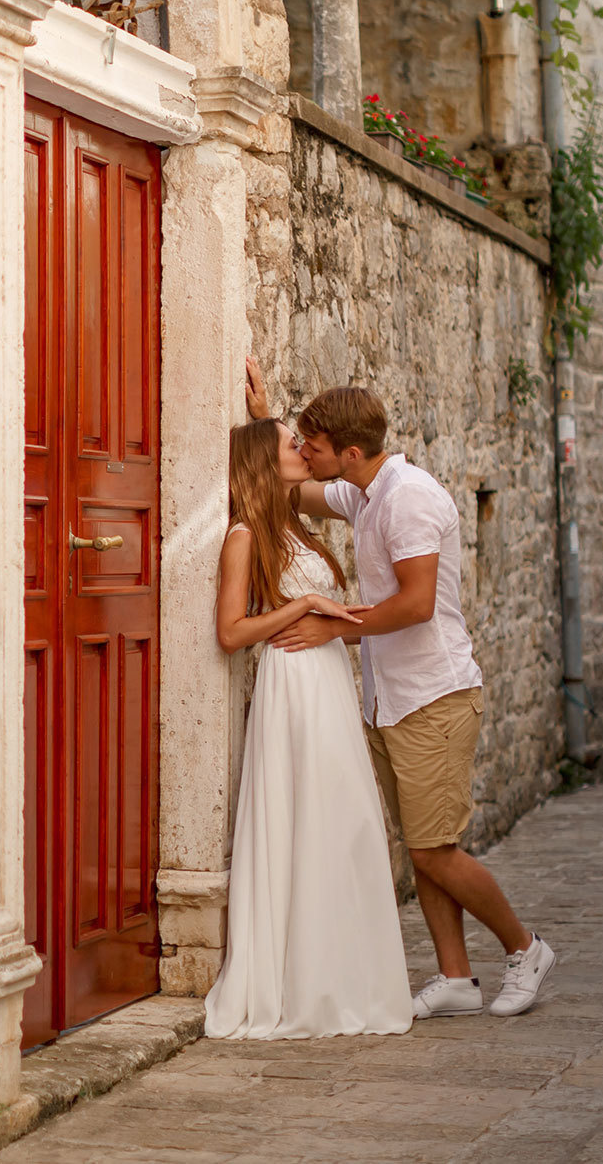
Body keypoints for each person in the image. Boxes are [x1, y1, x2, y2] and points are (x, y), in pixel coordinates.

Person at [245, 357, 556, 1019]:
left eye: (315, 445)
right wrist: (262, 418)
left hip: (433, 698)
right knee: (423, 844)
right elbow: (285, 484)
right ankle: (455, 977)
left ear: (350, 452)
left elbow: (416, 604)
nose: (305, 453)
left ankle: (525, 948)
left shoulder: (409, 497)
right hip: (390, 699)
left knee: (433, 848)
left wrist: (335, 627)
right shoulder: (363, 491)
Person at [203, 416, 414, 1039]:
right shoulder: (243, 536)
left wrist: (264, 411)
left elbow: (279, 458)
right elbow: (231, 633)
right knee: (308, 817)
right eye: (290, 445)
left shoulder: (290, 521)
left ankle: (350, 976)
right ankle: (304, 983)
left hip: (327, 684)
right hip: (291, 687)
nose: (303, 449)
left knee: (344, 819)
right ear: (266, 463)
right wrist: (301, 606)